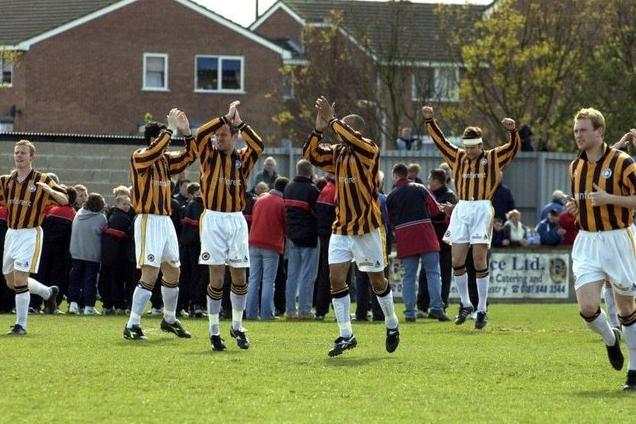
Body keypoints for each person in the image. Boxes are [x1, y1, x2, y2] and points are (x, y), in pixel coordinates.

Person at [304, 96, 400, 357]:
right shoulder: (338, 154)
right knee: (336, 278)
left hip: (367, 228)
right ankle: (346, 334)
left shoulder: (369, 149)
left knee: (376, 281)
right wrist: (319, 126)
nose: (338, 134)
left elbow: (347, 134)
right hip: (341, 228)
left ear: (356, 131)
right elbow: (310, 154)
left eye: (344, 128)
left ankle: (391, 323)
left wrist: (332, 119)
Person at [422, 105, 519, 330]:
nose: (469, 151)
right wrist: (430, 121)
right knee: (457, 260)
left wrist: (512, 132)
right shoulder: (458, 157)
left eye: (473, 148)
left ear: (481, 145)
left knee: (478, 260)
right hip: (462, 208)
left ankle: (482, 308)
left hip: (482, 207)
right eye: (467, 147)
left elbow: (513, 148)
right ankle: (466, 304)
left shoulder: (493, 158)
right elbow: (441, 142)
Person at [566, 108, 636, 390]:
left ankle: (634, 370)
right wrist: (575, 207)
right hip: (587, 241)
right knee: (587, 307)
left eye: (583, 130)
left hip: (618, 238)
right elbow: (580, 201)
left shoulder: (623, 162)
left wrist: (609, 198)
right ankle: (610, 339)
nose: (578, 135)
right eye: (575, 130)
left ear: (599, 132)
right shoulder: (575, 167)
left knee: (625, 307)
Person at [192, 100, 264, 351]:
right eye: (217, 135)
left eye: (223, 135)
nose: (218, 139)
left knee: (240, 277)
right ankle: (213, 331)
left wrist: (239, 123)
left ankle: (237, 325)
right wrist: (223, 118)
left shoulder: (243, 158)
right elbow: (200, 134)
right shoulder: (208, 156)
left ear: (234, 137)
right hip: (213, 218)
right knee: (216, 278)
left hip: (235, 219)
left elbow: (259, 144)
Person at [123, 108, 195, 340]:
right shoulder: (140, 156)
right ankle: (132, 324)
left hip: (165, 220)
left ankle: (170, 318)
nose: (167, 140)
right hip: (148, 220)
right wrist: (170, 128)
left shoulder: (165, 161)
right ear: (153, 139)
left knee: (173, 271)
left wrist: (185, 132)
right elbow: (156, 149)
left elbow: (189, 156)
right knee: (150, 273)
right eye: (163, 135)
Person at [1, 139, 68, 335]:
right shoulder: (6, 181)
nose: (19, 156)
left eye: (23, 153)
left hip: (30, 233)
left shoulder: (42, 179)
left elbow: (64, 200)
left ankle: (21, 325)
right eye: (16, 153)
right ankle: (48, 293)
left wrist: (50, 191)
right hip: (11, 233)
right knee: (11, 282)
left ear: (31, 156)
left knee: (21, 279)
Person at [386, 163, 450, 322]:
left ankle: (409, 312)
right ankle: (436, 308)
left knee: (409, 276)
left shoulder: (391, 196)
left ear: (395, 176)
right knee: (433, 273)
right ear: (407, 174)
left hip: (405, 237)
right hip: (425, 234)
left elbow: (389, 219)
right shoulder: (419, 187)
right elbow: (435, 209)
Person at [246, 176, 288, 320]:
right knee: (269, 280)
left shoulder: (260, 200)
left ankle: (250, 313)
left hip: (253, 241)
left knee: (253, 280)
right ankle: (266, 314)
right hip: (271, 244)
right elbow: (285, 225)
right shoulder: (282, 203)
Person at [284, 159, 320, 320]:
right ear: (310, 171)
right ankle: (305, 310)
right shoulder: (312, 190)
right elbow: (317, 213)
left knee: (292, 275)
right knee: (308, 275)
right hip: (309, 236)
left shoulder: (289, 187)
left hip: (292, 236)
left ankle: (290, 310)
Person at [68, 193, 107, 315]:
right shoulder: (101, 218)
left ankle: (73, 304)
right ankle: (88, 306)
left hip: (76, 252)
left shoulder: (79, 214)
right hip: (93, 254)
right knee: (90, 281)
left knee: (75, 279)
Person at [314, 173, 336, 320]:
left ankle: (320, 310)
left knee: (324, 273)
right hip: (334, 235)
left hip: (324, 235)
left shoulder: (326, 189)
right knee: (339, 275)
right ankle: (339, 310)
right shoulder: (336, 190)